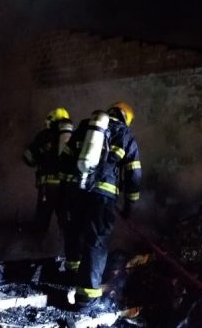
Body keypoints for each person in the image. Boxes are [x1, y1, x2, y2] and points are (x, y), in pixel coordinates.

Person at [61, 101, 142, 310]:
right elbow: (134, 173)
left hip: (77, 191)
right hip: (103, 198)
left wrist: (66, 190)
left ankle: (70, 277)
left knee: (75, 233)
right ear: (127, 119)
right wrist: (130, 204)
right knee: (95, 243)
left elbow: (65, 158)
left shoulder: (87, 126)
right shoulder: (125, 134)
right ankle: (87, 297)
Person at [22, 107, 73, 240]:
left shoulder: (44, 135)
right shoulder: (72, 136)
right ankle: (68, 252)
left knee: (42, 219)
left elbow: (29, 158)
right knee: (65, 221)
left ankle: (35, 249)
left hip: (47, 187)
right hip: (66, 185)